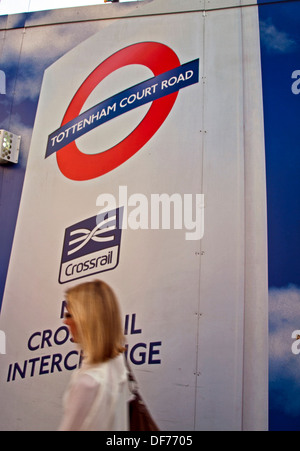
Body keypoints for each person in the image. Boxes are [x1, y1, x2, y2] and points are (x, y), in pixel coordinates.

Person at [59, 279, 131, 431]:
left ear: (86, 319)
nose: (65, 321)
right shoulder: (118, 365)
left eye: (69, 315)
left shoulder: (88, 382)